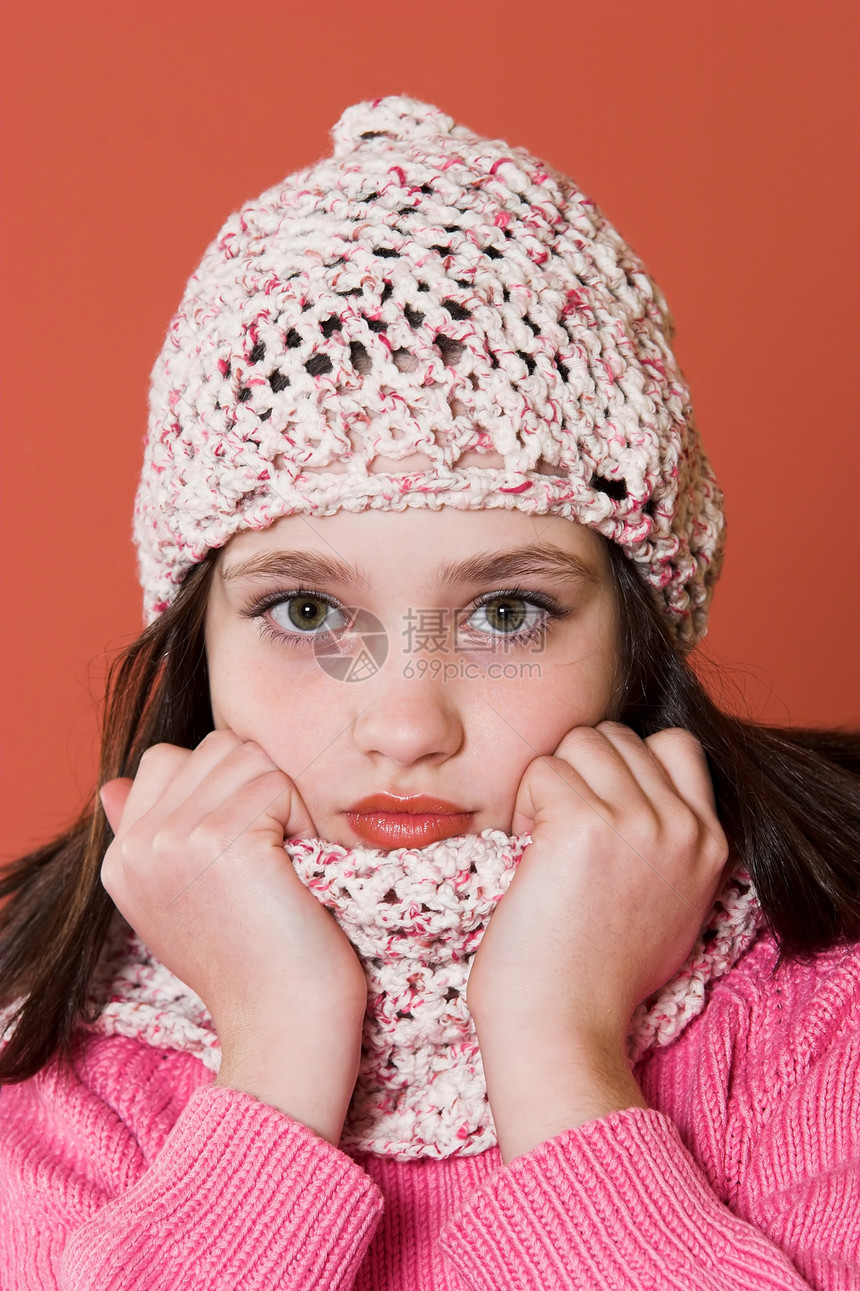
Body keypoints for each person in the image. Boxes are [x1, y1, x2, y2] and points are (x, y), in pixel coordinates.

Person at [1, 96, 857, 1291]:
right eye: (307, 613)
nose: (405, 726)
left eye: (505, 612)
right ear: (200, 638)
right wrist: (277, 1052)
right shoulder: (40, 1059)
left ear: (638, 636)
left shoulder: (823, 1022)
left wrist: (559, 1050)